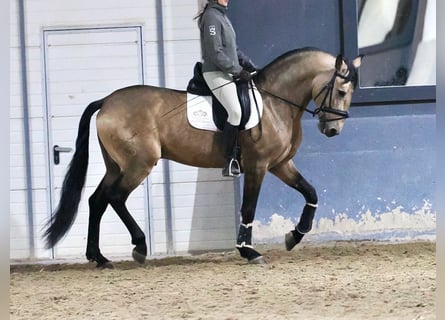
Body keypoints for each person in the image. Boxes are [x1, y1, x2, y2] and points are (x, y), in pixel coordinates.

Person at [195, 0, 257, 177]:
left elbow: (233, 50)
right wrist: (238, 70)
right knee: (235, 112)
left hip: (227, 72)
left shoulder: (222, 16)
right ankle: (230, 160)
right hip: (215, 72)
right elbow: (215, 53)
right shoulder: (211, 17)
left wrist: (250, 66)